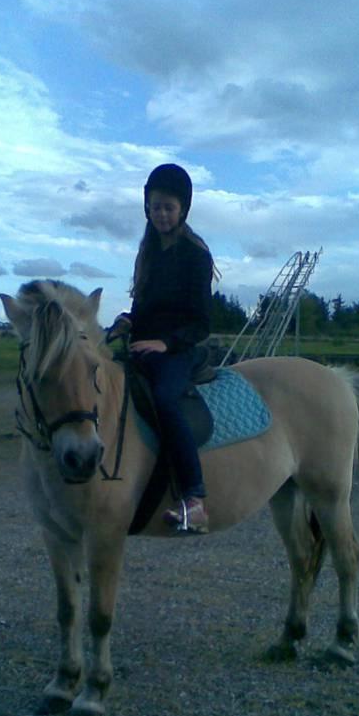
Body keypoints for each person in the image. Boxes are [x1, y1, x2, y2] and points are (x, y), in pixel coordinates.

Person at [113, 163, 214, 534]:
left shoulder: (195, 255)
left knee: (165, 399)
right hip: (143, 345)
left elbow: (202, 322)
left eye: (169, 207)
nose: (162, 214)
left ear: (183, 209)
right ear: (147, 208)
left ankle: (194, 497)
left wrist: (165, 342)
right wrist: (127, 323)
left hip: (179, 350)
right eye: (156, 207)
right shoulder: (148, 252)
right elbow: (144, 308)